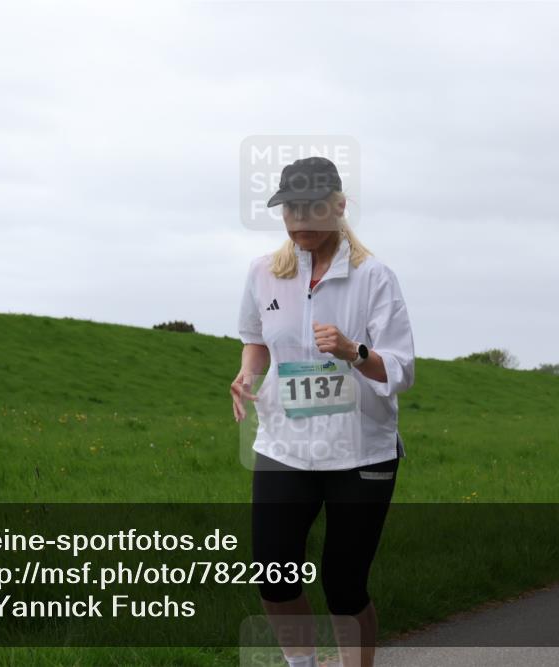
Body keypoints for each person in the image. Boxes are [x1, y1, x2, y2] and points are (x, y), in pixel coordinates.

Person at [231, 156, 416, 667]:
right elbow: (255, 340)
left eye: (313, 208)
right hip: (285, 445)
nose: (300, 220)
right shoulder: (263, 273)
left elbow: (401, 369)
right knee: (272, 575)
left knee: (343, 586)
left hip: (360, 450)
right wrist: (248, 373)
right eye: (290, 209)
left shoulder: (375, 277)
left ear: (339, 207)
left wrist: (354, 352)